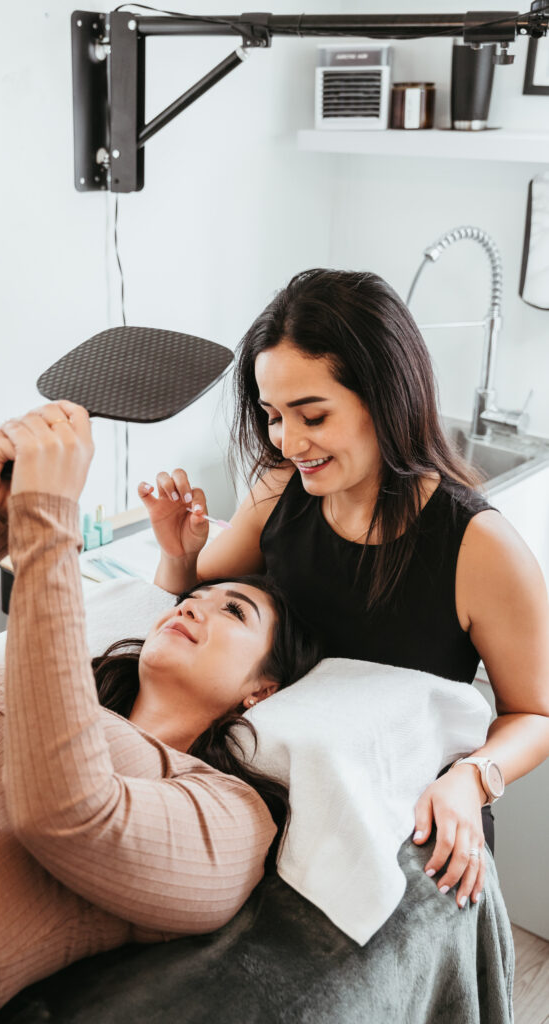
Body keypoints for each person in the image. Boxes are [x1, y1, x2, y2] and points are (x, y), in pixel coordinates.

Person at [0, 400, 322, 1024]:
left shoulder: (227, 811)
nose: (192, 607)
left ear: (262, 690)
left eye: (234, 612)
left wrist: (47, 524)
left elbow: (64, 814)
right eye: (195, 597)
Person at [141, 267, 549, 913]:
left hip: (414, 798)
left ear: (386, 398)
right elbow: (199, 593)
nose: (287, 442)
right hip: (284, 779)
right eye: (272, 416)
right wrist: (176, 554)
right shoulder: (279, 490)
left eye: (312, 415)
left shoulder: (478, 547)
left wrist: (472, 781)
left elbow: (533, 714)